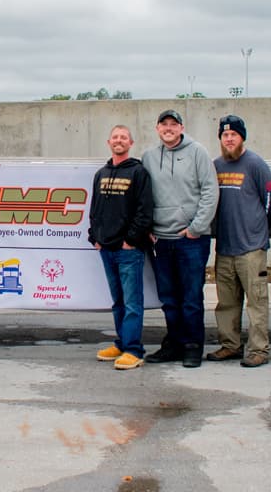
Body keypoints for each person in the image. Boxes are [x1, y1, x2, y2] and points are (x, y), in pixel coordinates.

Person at [141, 109, 219, 368]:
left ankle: (193, 346)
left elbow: (210, 190)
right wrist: (148, 226)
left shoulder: (198, 152)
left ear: (181, 127)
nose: (168, 128)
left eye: (173, 124)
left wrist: (196, 227)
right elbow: (144, 195)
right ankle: (173, 343)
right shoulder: (149, 157)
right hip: (161, 240)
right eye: (164, 124)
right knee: (169, 298)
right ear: (157, 129)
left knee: (191, 297)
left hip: (191, 239)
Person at [206, 115, 271, 368]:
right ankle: (230, 345)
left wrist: (257, 230)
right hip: (225, 247)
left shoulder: (256, 164)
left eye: (233, 135)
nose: (228, 139)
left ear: (242, 137)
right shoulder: (215, 166)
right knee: (227, 303)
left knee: (256, 302)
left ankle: (259, 349)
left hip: (251, 248)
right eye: (224, 136)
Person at [88, 125, 154, 370]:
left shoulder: (138, 172)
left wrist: (131, 240)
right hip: (106, 249)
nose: (119, 140)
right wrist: (94, 236)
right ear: (109, 142)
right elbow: (95, 209)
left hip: (129, 251)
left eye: (123, 137)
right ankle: (122, 342)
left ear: (131, 143)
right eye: (115, 137)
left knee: (132, 302)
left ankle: (134, 350)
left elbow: (144, 211)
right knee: (118, 301)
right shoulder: (101, 174)